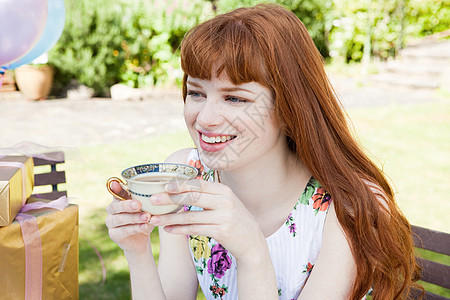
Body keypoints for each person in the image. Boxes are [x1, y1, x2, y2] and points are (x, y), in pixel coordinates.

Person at [105, 4, 422, 299]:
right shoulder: (187, 175)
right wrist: (137, 250)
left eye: (235, 99)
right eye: (196, 93)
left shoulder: (350, 208)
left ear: (289, 107)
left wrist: (252, 251)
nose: (204, 119)